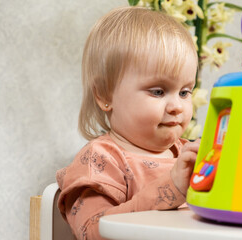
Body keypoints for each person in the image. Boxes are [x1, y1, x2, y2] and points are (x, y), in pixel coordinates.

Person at [56, 6, 200, 239]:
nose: (177, 106)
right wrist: (171, 188)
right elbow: (93, 232)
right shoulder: (101, 160)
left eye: (185, 92)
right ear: (105, 94)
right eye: (158, 91)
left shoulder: (187, 156)